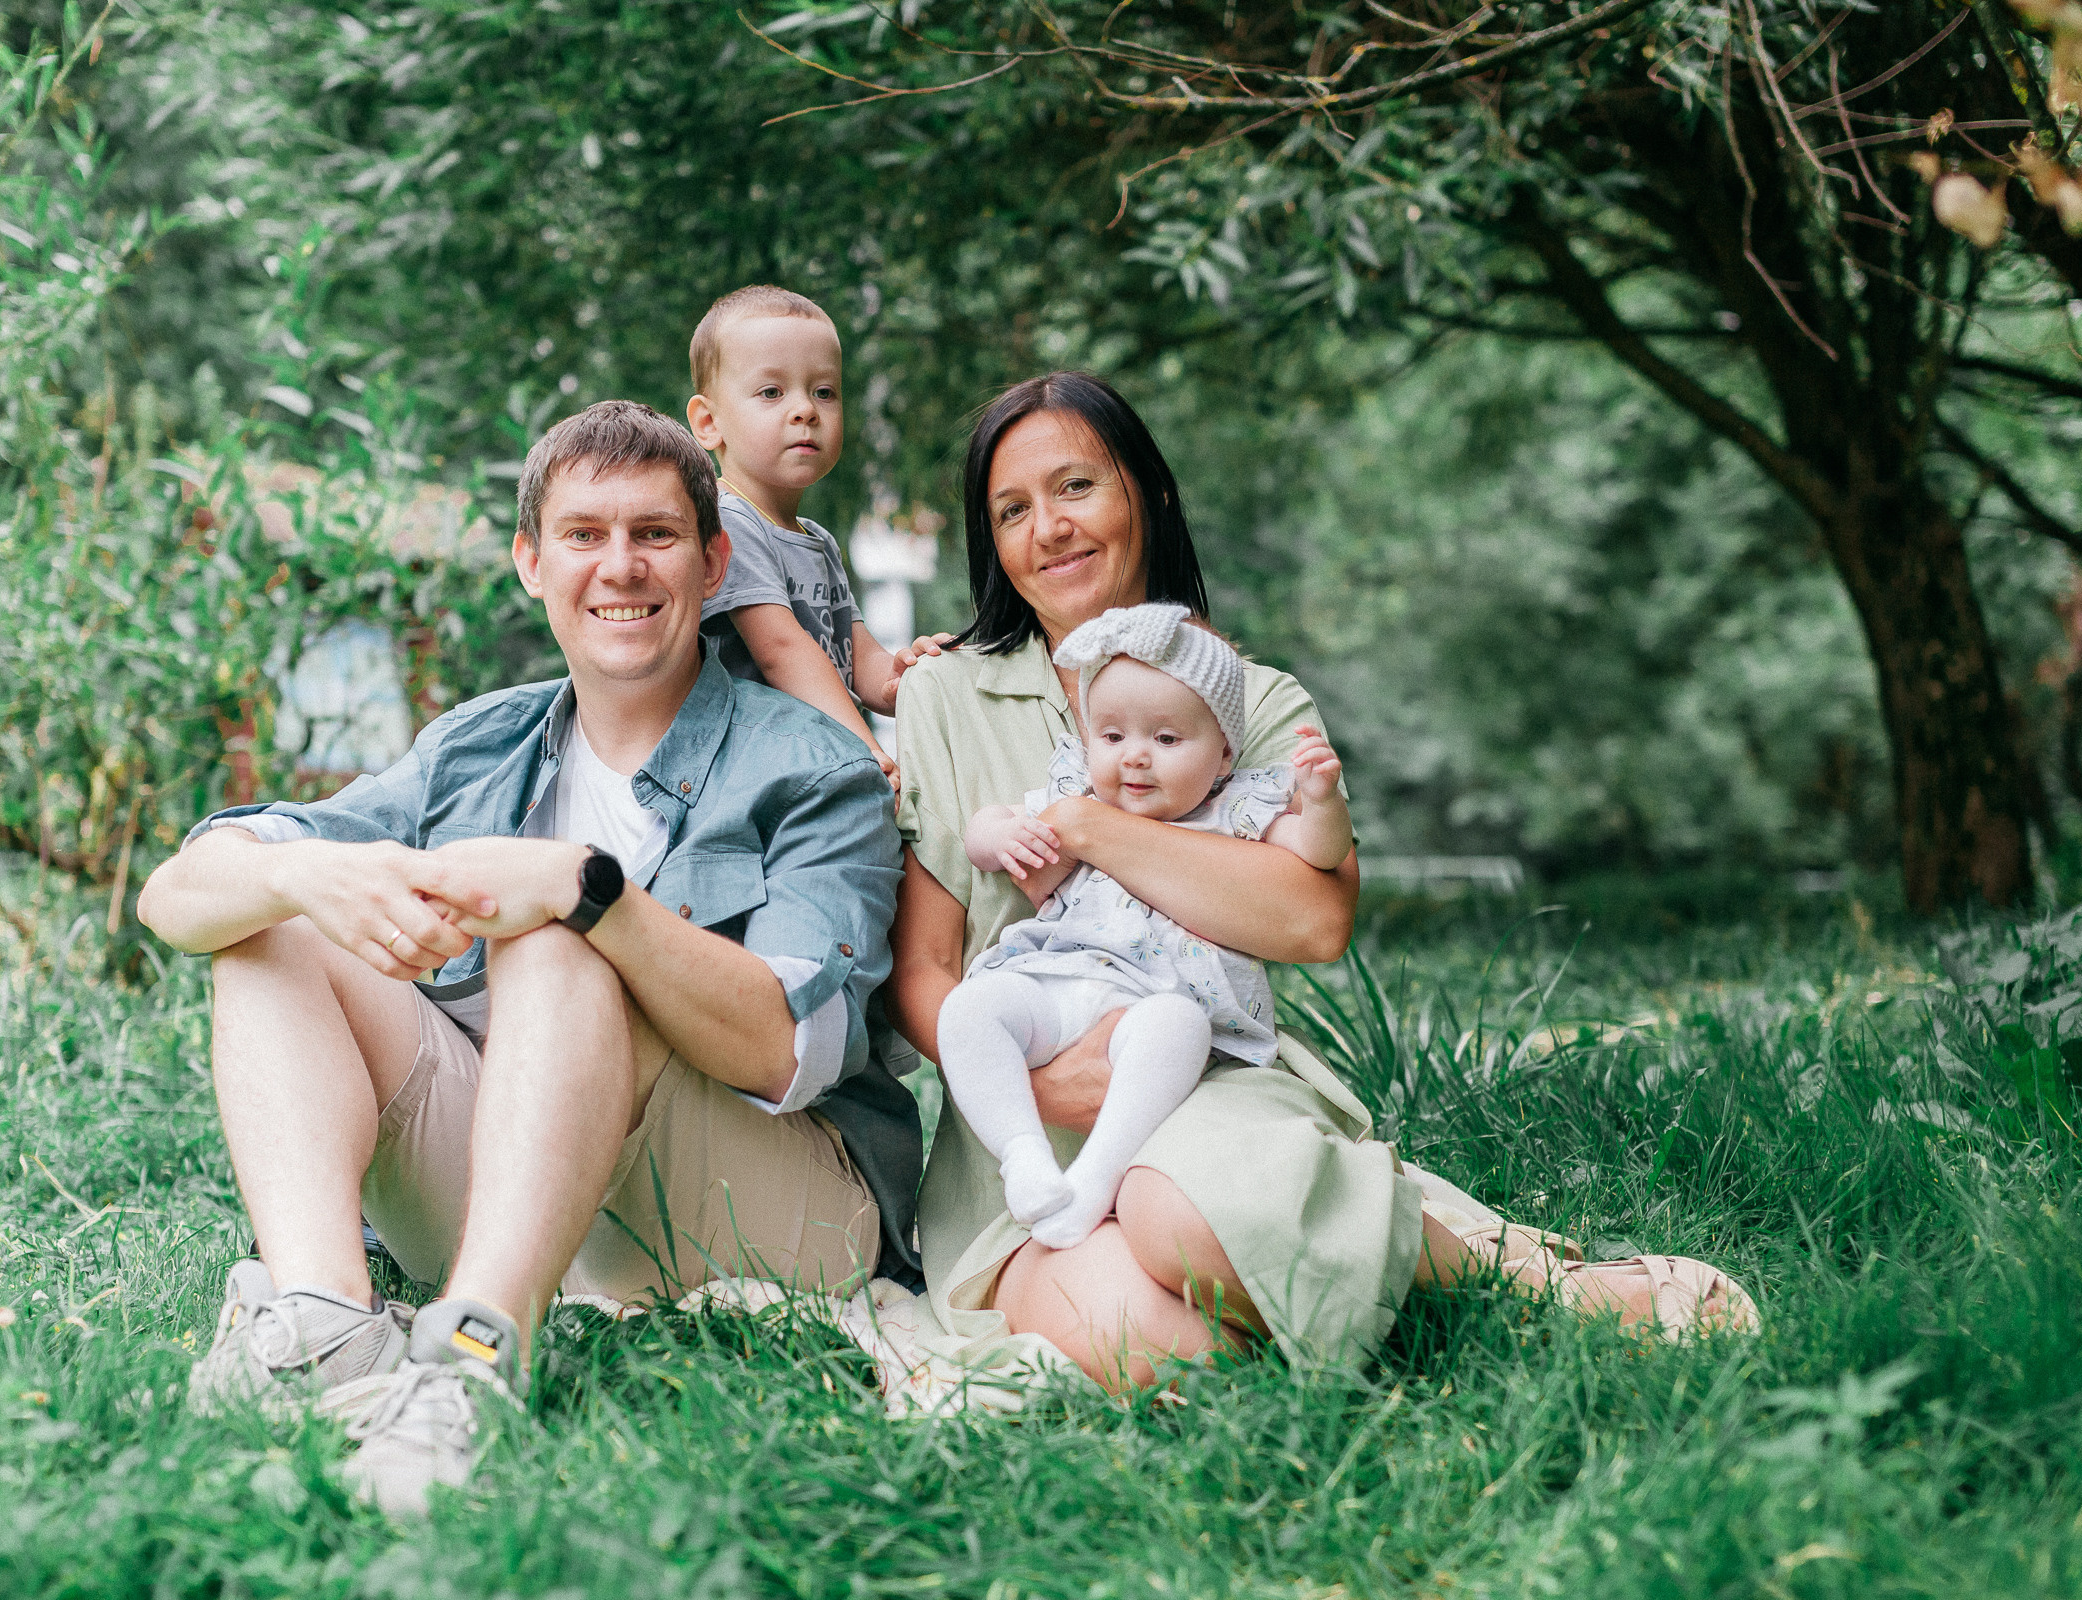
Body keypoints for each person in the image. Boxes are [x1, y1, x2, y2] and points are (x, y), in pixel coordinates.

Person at [887, 372, 1758, 1391]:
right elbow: (924, 968)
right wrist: (1038, 1083)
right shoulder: (945, 694)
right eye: (1012, 509)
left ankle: (1526, 1280)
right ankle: (1365, 1250)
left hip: (1210, 1094)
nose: (1049, 527)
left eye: (1077, 485)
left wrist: (1088, 824)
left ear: (1149, 497)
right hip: (1019, 1151)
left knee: (1186, 1210)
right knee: (1173, 1357)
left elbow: (1311, 918)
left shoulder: (1255, 701)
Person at [136, 400, 918, 1515]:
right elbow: (178, 892)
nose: (620, 567)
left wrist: (590, 893)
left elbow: (792, 1049)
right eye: (585, 534)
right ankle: (323, 1328)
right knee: (273, 923)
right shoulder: (478, 744)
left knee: (557, 947)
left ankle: (469, 1365)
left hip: (767, 1201)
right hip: (535, 1186)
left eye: (654, 533)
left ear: (714, 558)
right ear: (530, 561)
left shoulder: (811, 764)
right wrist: (299, 875)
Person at [941, 601, 1352, 1252]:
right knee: (968, 1010)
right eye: (1111, 736)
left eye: (1165, 739)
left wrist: (1323, 800)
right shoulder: (1076, 795)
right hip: (1058, 982)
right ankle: (1024, 1158)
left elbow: (1318, 853)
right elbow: (988, 830)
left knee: (1178, 1030)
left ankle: (1096, 1179)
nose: (1134, 758)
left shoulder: (1235, 806)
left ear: (1222, 754)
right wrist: (995, 835)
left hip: (1155, 1005)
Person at [683, 285, 946, 779]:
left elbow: (857, 655)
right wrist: (864, 749)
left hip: (817, 758)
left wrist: (906, 682)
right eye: (772, 392)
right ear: (709, 421)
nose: (806, 409)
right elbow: (782, 652)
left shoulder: (817, 540)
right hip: (753, 771)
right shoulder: (729, 521)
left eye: (824, 391)